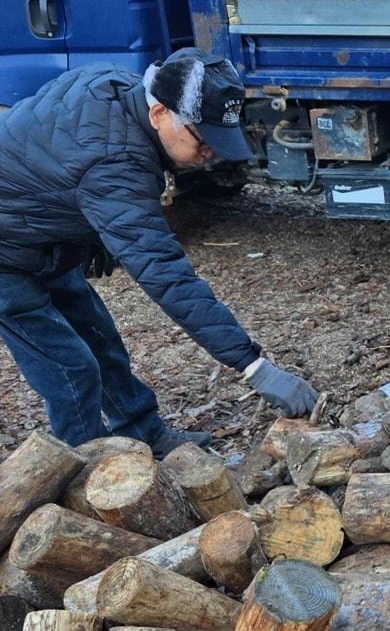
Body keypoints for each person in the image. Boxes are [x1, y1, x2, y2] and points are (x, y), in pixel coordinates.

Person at [0, 49, 319, 456]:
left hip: (43, 241)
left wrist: (93, 232)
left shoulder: (115, 84)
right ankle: (79, 470)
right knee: (71, 369)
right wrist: (254, 367)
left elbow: (53, 148)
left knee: (102, 341)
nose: (210, 155)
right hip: (7, 258)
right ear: (158, 115)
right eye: (202, 140)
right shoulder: (115, 165)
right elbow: (167, 276)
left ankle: (142, 432)